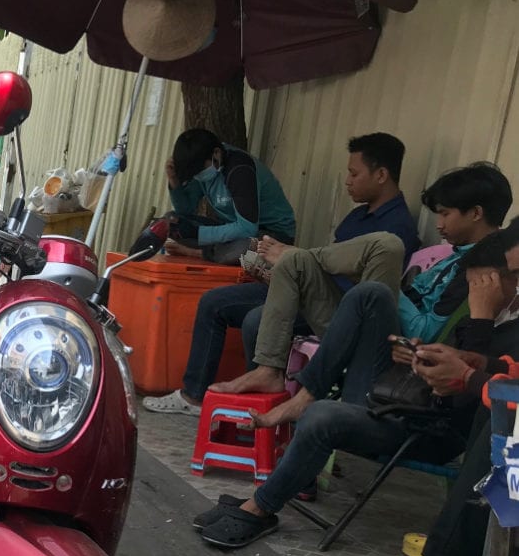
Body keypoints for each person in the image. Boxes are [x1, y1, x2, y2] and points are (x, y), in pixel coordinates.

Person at [196, 221, 519, 550]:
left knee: (324, 416)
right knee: (371, 294)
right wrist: (421, 356)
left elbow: (472, 403)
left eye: (484, 282)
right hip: (400, 396)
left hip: (427, 429)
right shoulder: (480, 317)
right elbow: (457, 365)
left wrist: (481, 321)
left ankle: (260, 507)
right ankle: (306, 394)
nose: (476, 290)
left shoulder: (496, 324)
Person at [144, 133, 419, 415]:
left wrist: (296, 262)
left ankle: (256, 401)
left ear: (381, 174)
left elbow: (366, 292)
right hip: (305, 286)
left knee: (255, 318)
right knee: (214, 301)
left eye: (353, 173)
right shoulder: (357, 217)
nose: (347, 181)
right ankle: (194, 397)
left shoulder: (395, 230)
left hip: (335, 309)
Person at [211, 162, 512, 403]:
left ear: (475, 214)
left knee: (388, 245)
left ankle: (304, 254)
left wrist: (383, 280)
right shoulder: (451, 256)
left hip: (393, 347)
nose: (438, 224)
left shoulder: (481, 270)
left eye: (445, 214)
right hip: (363, 321)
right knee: (296, 266)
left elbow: (426, 332)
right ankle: (268, 369)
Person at [162, 128, 296, 260]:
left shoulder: (240, 169)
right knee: (171, 222)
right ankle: (215, 251)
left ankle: (200, 253)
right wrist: (174, 181)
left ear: (216, 153)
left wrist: (198, 233)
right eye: (194, 174)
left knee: (247, 248)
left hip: (271, 234)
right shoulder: (202, 167)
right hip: (232, 228)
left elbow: (247, 228)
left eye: (200, 171)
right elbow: (185, 210)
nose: (198, 176)